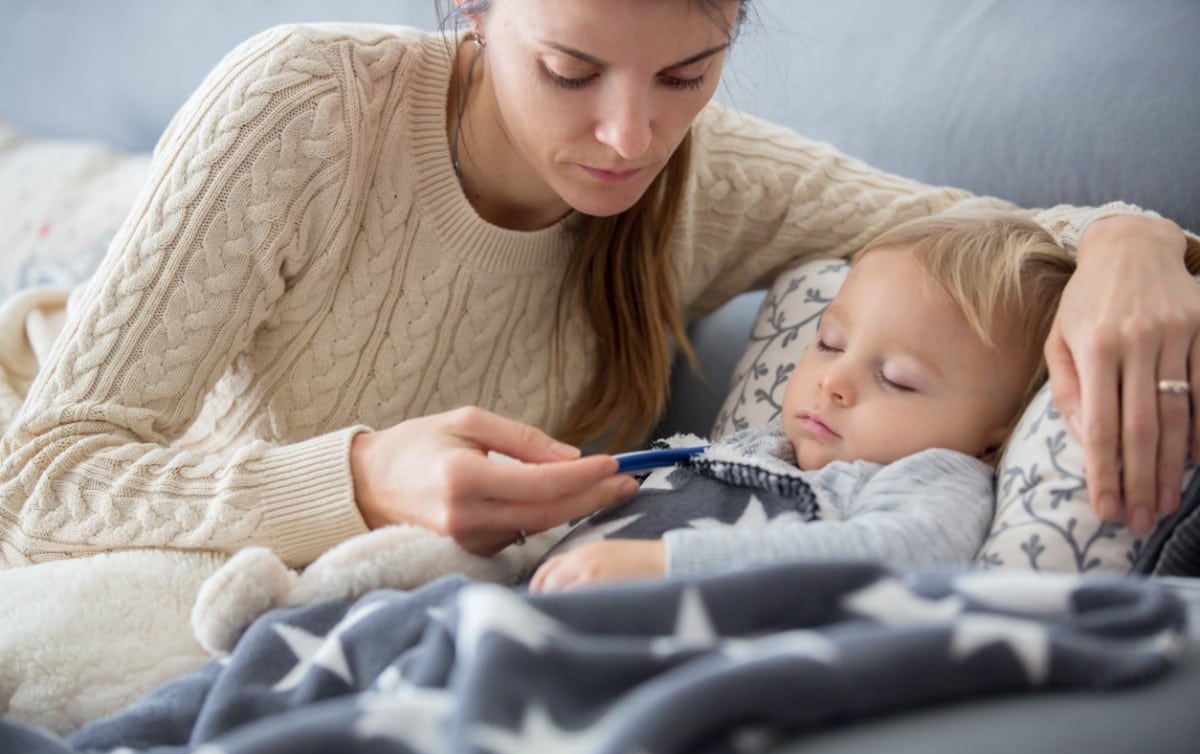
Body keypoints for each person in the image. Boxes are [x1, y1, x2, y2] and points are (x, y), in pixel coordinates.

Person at [0, 0, 1197, 573]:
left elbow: (985, 243)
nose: (631, 138)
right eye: (569, 71)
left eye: (688, 70)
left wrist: (1135, 241)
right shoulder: (306, 107)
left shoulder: (707, 177)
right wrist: (361, 476)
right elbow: (44, 474)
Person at [528, 211, 1074, 591]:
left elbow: (898, 554)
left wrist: (671, 565)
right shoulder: (763, 444)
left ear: (994, 438)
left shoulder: (933, 478)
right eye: (830, 343)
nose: (833, 379)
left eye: (898, 379)